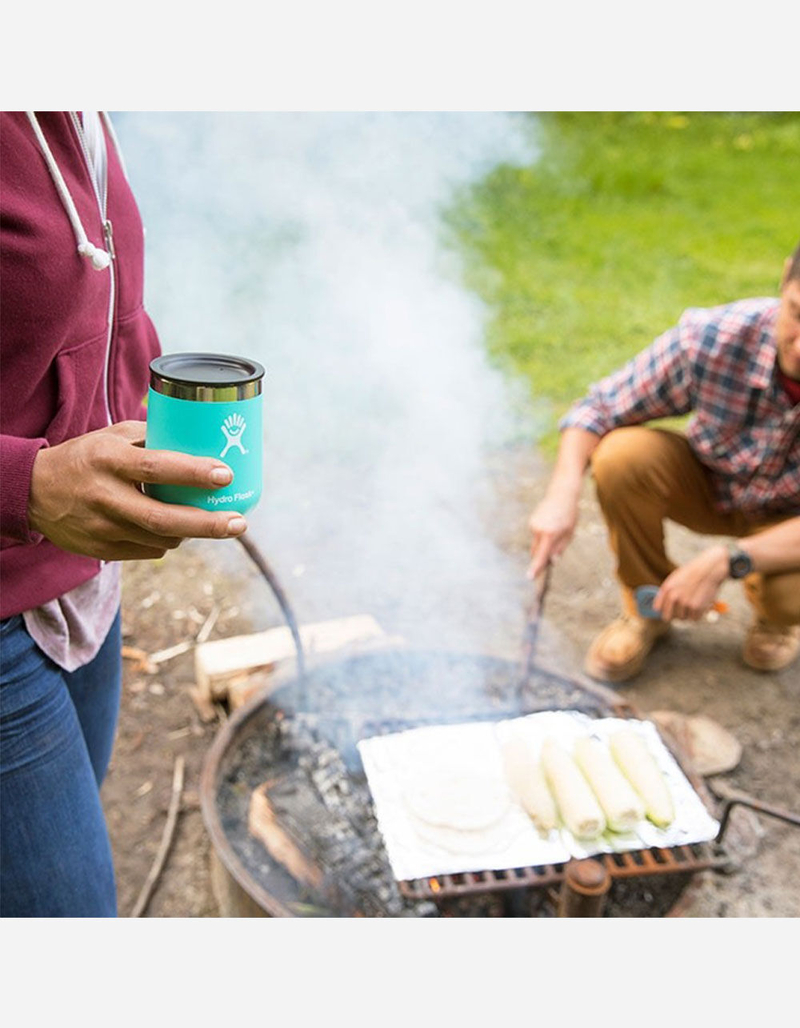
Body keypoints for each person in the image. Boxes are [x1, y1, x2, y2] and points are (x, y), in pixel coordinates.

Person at [0, 112, 249, 917]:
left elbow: (101, 305)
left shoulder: (75, 107)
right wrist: (26, 484)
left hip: (82, 582)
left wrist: (164, 427)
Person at [528, 242, 800, 683]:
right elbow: (597, 410)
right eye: (798, 314)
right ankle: (646, 607)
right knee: (621, 456)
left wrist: (728, 560)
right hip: (711, 484)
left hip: (790, 522)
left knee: (789, 593)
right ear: (786, 276)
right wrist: (562, 495)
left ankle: (776, 617)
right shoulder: (716, 338)